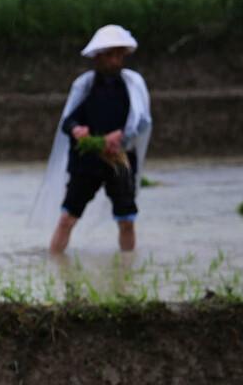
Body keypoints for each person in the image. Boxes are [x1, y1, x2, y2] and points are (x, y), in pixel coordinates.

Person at [31, 25, 152, 256]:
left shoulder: (132, 86)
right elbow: (68, 121)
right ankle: (55, 261)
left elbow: (143, 121)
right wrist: (78, 130)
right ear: (98, 57)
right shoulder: (85, 86)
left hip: (120, 160)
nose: (115, 60)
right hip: (86, 161)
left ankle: (127, 268)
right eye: (110, 55)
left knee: (127, 219)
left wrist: (122, 136)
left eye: (119, 54)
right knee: (67, 218)